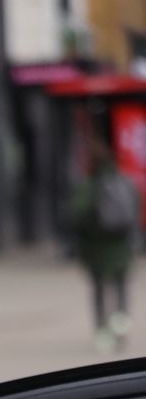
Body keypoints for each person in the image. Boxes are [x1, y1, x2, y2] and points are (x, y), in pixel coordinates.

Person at [70, 136, 138, 352]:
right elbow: (135, 209)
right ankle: (121, 320)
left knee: (99, 289)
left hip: (96, 249)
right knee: (121, 285)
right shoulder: (124, 182)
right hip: (122, 246)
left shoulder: (89, 186)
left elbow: (76, 216)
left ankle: (102, 330)